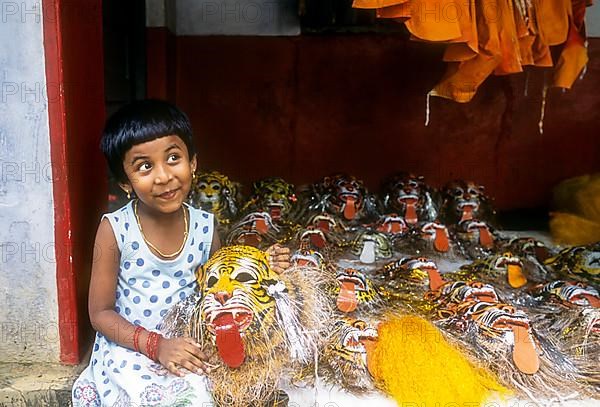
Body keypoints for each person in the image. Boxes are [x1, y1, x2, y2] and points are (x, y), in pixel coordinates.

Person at [72, 100, 290, 406]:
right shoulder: (115, 228)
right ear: (125, 183)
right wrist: (156, 346)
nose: (163, 176)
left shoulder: (204, 226)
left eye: (173, 158)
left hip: (191, 340)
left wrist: (263, 264)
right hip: (133, 346)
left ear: (193, 163)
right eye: (144, 166)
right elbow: (100, 313)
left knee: (223, 390)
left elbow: (216, 285)